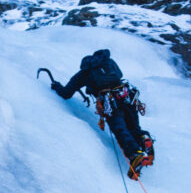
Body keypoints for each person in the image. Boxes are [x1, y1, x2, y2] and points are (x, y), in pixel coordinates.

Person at [50, 49, 154, 179]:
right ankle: (143, 139)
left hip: (109, 102)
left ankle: (135, 155)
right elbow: (119, 75)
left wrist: (56, 86)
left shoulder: (84, 73)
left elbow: (66, 93)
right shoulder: (109, 62)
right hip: (126, 96)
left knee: (120, 129)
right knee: (133, 127)